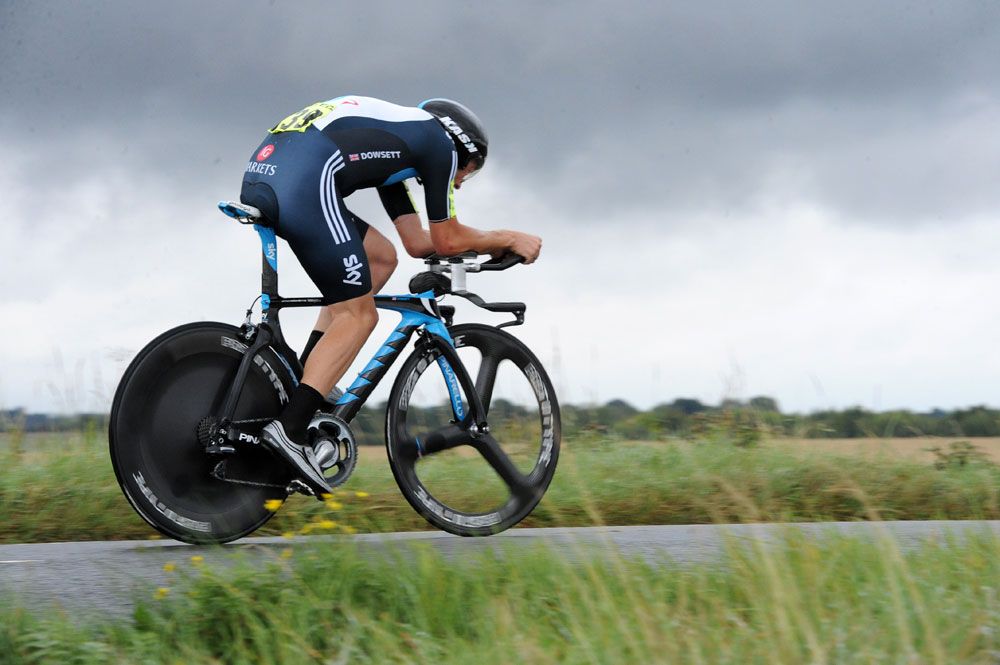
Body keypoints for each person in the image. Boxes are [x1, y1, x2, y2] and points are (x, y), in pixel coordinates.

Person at [238, 95, 542, 496]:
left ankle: (306, 381)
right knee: (361, 316)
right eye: (469, 171)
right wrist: (508, 237)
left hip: (270, 173)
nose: (459, 182)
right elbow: (447, 239)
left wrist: (484, 246)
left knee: (380, 259)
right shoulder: (440, 145)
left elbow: (417, 243)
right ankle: (290, 431)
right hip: (304, 181)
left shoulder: (401, 147)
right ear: (463, 148)